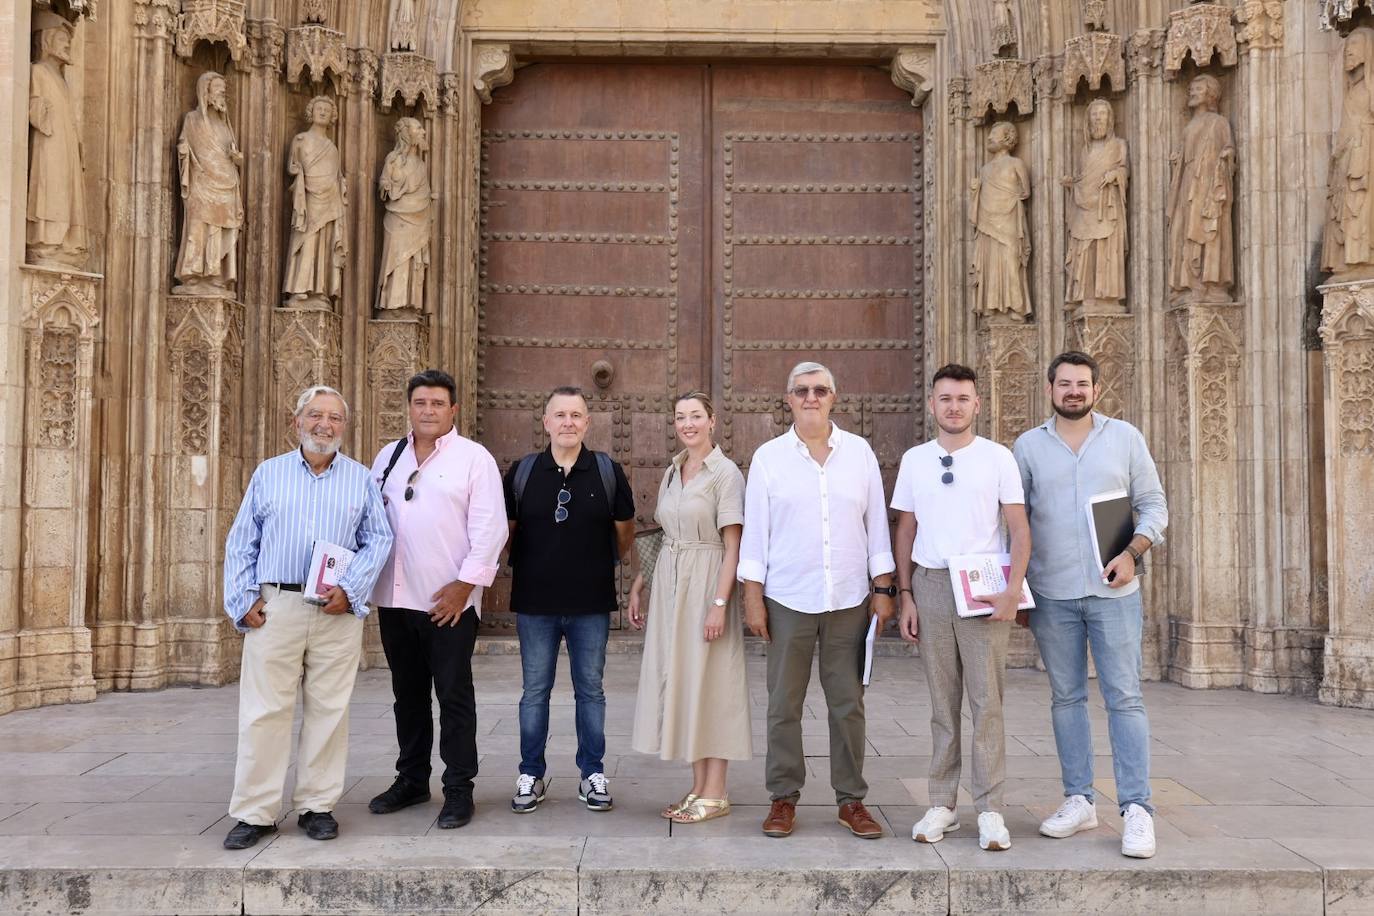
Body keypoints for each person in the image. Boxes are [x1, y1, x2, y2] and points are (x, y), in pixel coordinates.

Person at [220, 386, 393, 850]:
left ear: (344, 426)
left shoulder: (359, 479)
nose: (325, 425)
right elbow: (242, 542)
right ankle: (255, 812)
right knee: (264, 711)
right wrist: (242, 600)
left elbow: (379, 539)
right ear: (296, 422)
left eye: (335, 417)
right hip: (277, 607)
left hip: (336, 610)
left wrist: (351, 590)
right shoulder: (269, 474)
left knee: (329, 711)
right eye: (315, 415)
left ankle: (317, 805)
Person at [1013, 351, 1168, 859]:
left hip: (1114, 592)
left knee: (1125, 698)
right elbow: (1015, 522)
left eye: (1082, 383)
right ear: (1050, 388)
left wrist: (1131, 554)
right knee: (1066, 699)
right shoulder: (1028, 447)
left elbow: (1153, 505)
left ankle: (1136, 810)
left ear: (1096, 390)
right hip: (1053, 594)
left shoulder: (1125, 438)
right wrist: (1015, 586)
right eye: (1064, 384)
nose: (1073, 391)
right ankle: (1079, 800)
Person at [740, 362, 896, 840]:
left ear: (834, 397)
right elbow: (756, 534)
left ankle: (851, 800)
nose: (811, 397)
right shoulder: (769, 458)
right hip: (788, 597)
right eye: (802, 390)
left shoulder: (860, 453)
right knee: (783, 703)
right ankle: (783, 797)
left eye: (820, 390)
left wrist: (884, 589)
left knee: (847, 703)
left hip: (849, 597)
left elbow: (876, 527)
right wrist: (752, 598)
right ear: (788, 399)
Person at [893, 364, 1030, 852]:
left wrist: (1013, 589)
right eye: (945, 398)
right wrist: (905, 593)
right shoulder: (914, 460)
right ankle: (942, 804)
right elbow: (906, 530)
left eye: (963, 398)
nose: (954, 406)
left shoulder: (998, 458)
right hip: (930, 583)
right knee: (941, 703)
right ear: (932, 404)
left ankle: (990, 809)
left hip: (981, 585)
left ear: (977, 404)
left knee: (986, 702)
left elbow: (1018, 527)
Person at [366, 370, 507, 829]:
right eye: (420, 402)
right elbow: (368, 521)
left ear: (453, 410)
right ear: (409, 407)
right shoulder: (388, 457)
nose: (428, 410)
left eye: (437, 403)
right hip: (394, 596)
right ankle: (411, 780)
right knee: (407, 695)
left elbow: (491, 529)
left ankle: (459, 789)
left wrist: (464, 587)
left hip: (448, 603)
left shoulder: (474, 459)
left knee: (453, 695)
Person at [504, 386, 635, 813]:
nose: (568, 422)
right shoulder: (523, 472)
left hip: (590, 604)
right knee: (534, 692)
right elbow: (507, 531)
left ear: (587, 423)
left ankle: (591, 774)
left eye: (576, 415)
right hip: (536, 604)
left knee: (591, 691)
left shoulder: (605, 470)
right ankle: (531, 774)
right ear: (545, 422)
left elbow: (624, 530)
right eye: (559, 415)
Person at [627, 391, 750, 824]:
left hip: (706, 579)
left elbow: (733, 545)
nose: (688, 423)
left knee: (712, 681)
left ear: (712, 421)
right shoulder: (674, 470)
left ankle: (716, 792)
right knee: (686, 679)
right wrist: (640, 582)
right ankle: (699, 787)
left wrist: (719, 604)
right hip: (670, 581)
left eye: (696, 416)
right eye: (681, 417)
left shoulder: (725, 474)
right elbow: (663, 532)